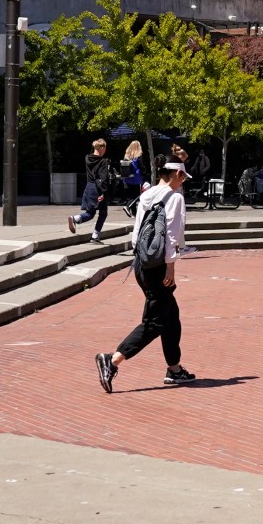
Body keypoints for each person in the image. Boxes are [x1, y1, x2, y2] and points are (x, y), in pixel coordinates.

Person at [95, 158, 195, 393]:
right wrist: (170, 265)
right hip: (159, 265)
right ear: (176, 175)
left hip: (141, 262)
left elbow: (137, 231)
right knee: (155, 321)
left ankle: (174, 368)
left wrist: (142, 257)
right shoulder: (176, 198)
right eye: (182, 178)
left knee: (171, 316)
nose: (183, 183)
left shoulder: (148, 194)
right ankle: (112, 360)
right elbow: (172, 234)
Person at [66, 138, 118, 242]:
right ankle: (95, 235)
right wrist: (103, 193)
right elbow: (103, 179)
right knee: (103, 213)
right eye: (105, 148)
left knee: (90, 212)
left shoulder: (87, 158)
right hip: (98, 189)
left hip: (89, 187)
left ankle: (75, 218)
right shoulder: (103, 162)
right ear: (102, 148)